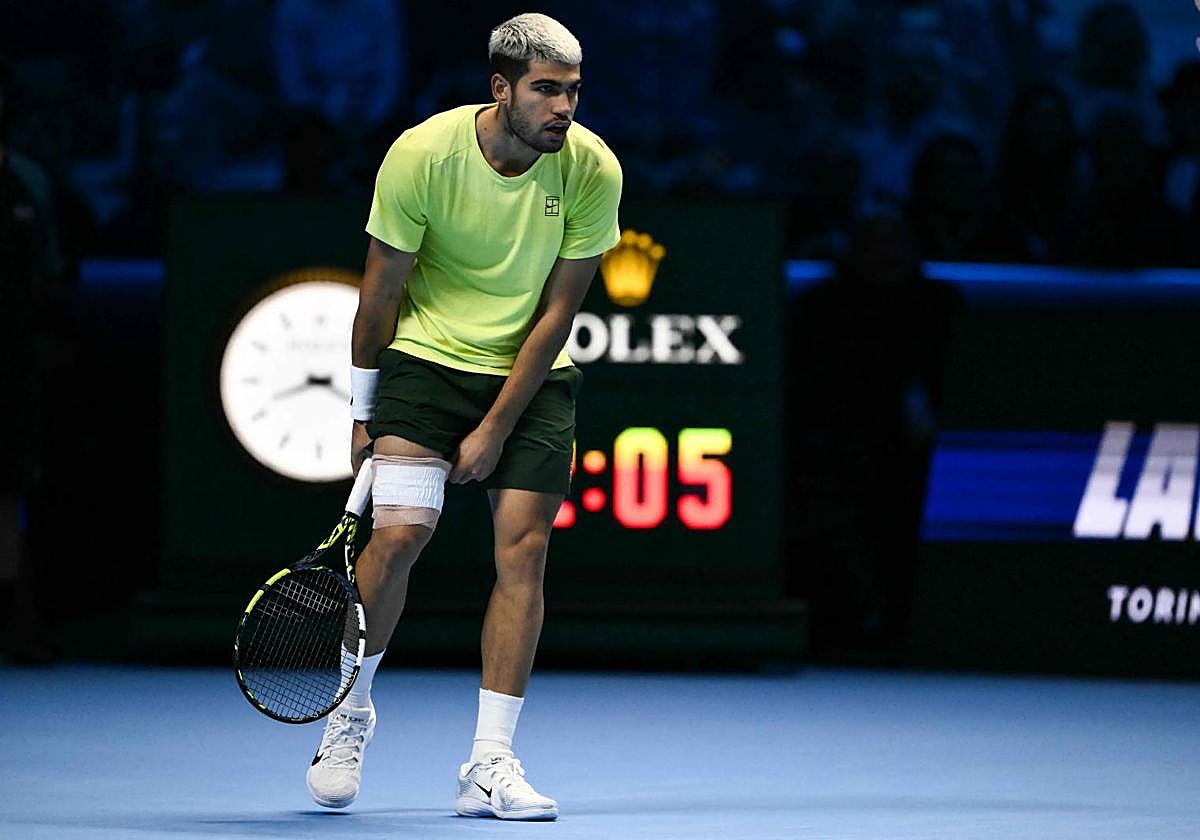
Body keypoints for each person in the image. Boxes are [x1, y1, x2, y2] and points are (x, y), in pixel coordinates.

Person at [305, 13, 621, 820]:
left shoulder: (592, 170)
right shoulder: (422, 156)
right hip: (427, 362)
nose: (563, 108)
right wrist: (362, 409)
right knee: (401, 534)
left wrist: (495, 427)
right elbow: (379, 293)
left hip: (532, 377)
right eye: (546, 90)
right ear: (501, 89)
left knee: (525, 551)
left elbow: (558, 316)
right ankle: (349, 716)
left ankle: (489, 763)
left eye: (573, 92)